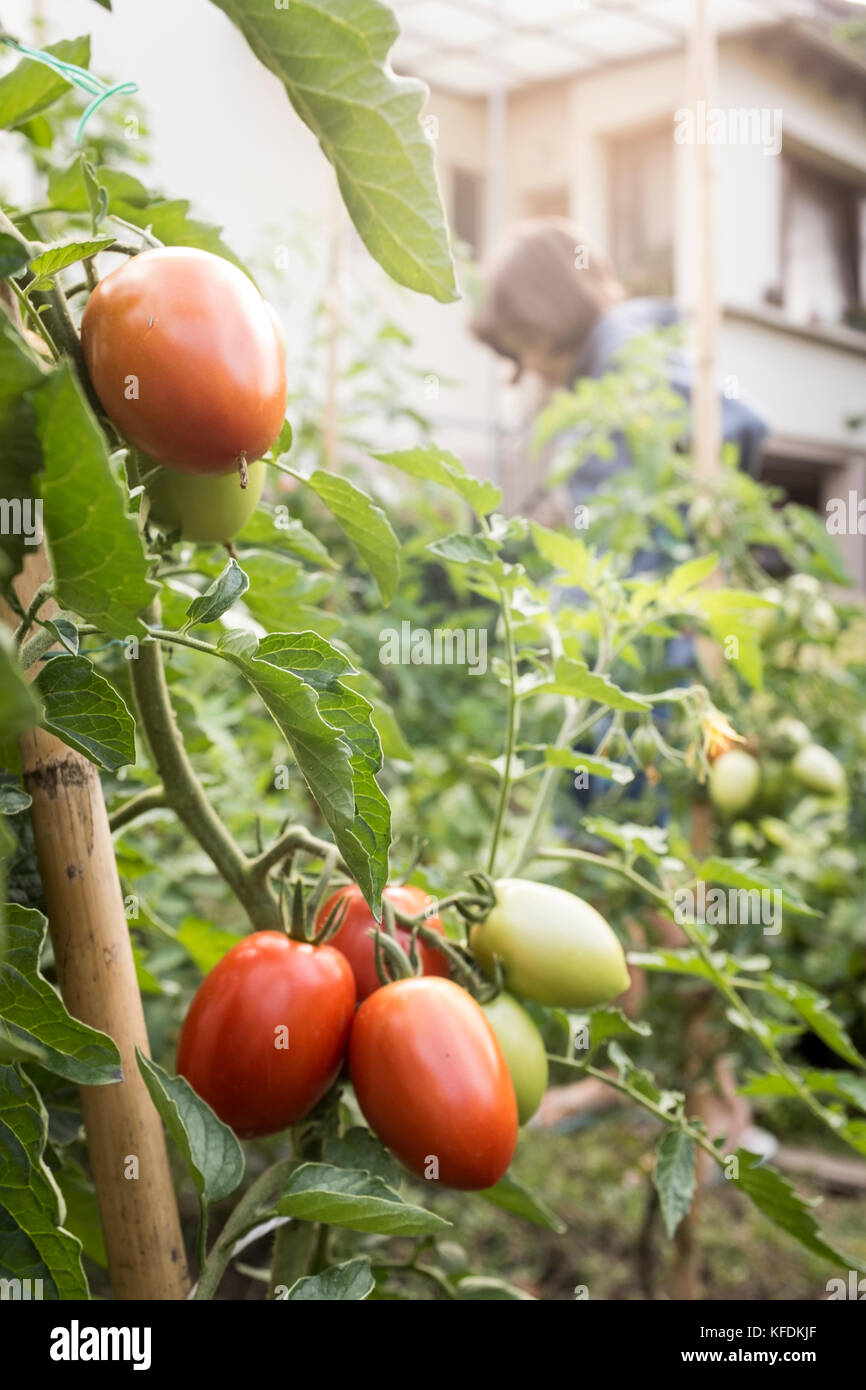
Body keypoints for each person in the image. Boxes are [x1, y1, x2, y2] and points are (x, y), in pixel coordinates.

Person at [470, 217, 768, 509]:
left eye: (526, 342)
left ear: (551, 311)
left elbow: (735, 421)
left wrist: (690, 522)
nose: (530, 365)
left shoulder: (620, 344)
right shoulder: (590, 383)